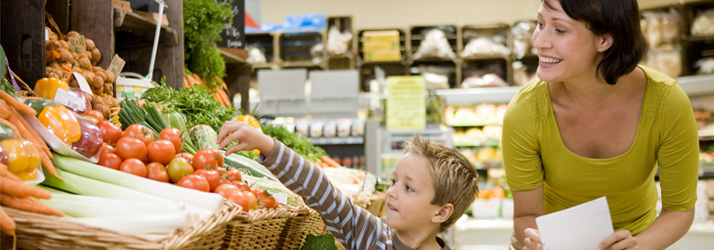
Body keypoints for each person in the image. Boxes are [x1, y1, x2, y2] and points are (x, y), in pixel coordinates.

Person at [502, 0, 699, 249]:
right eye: (540, 23)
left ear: (605, 39)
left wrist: (637, 246)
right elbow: (525, 215)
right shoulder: (525, 111)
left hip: (638, 239)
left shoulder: (667, 102)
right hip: (551, 241)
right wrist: (540, 241)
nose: (540, 41)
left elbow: (679, 210)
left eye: (560, 30)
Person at [217, 121, 479, 250]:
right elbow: (322, 191)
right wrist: (268, 146)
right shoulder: (369, 234)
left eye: (408, 188)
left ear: (441, 212)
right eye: (394, 182)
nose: (391, 192)